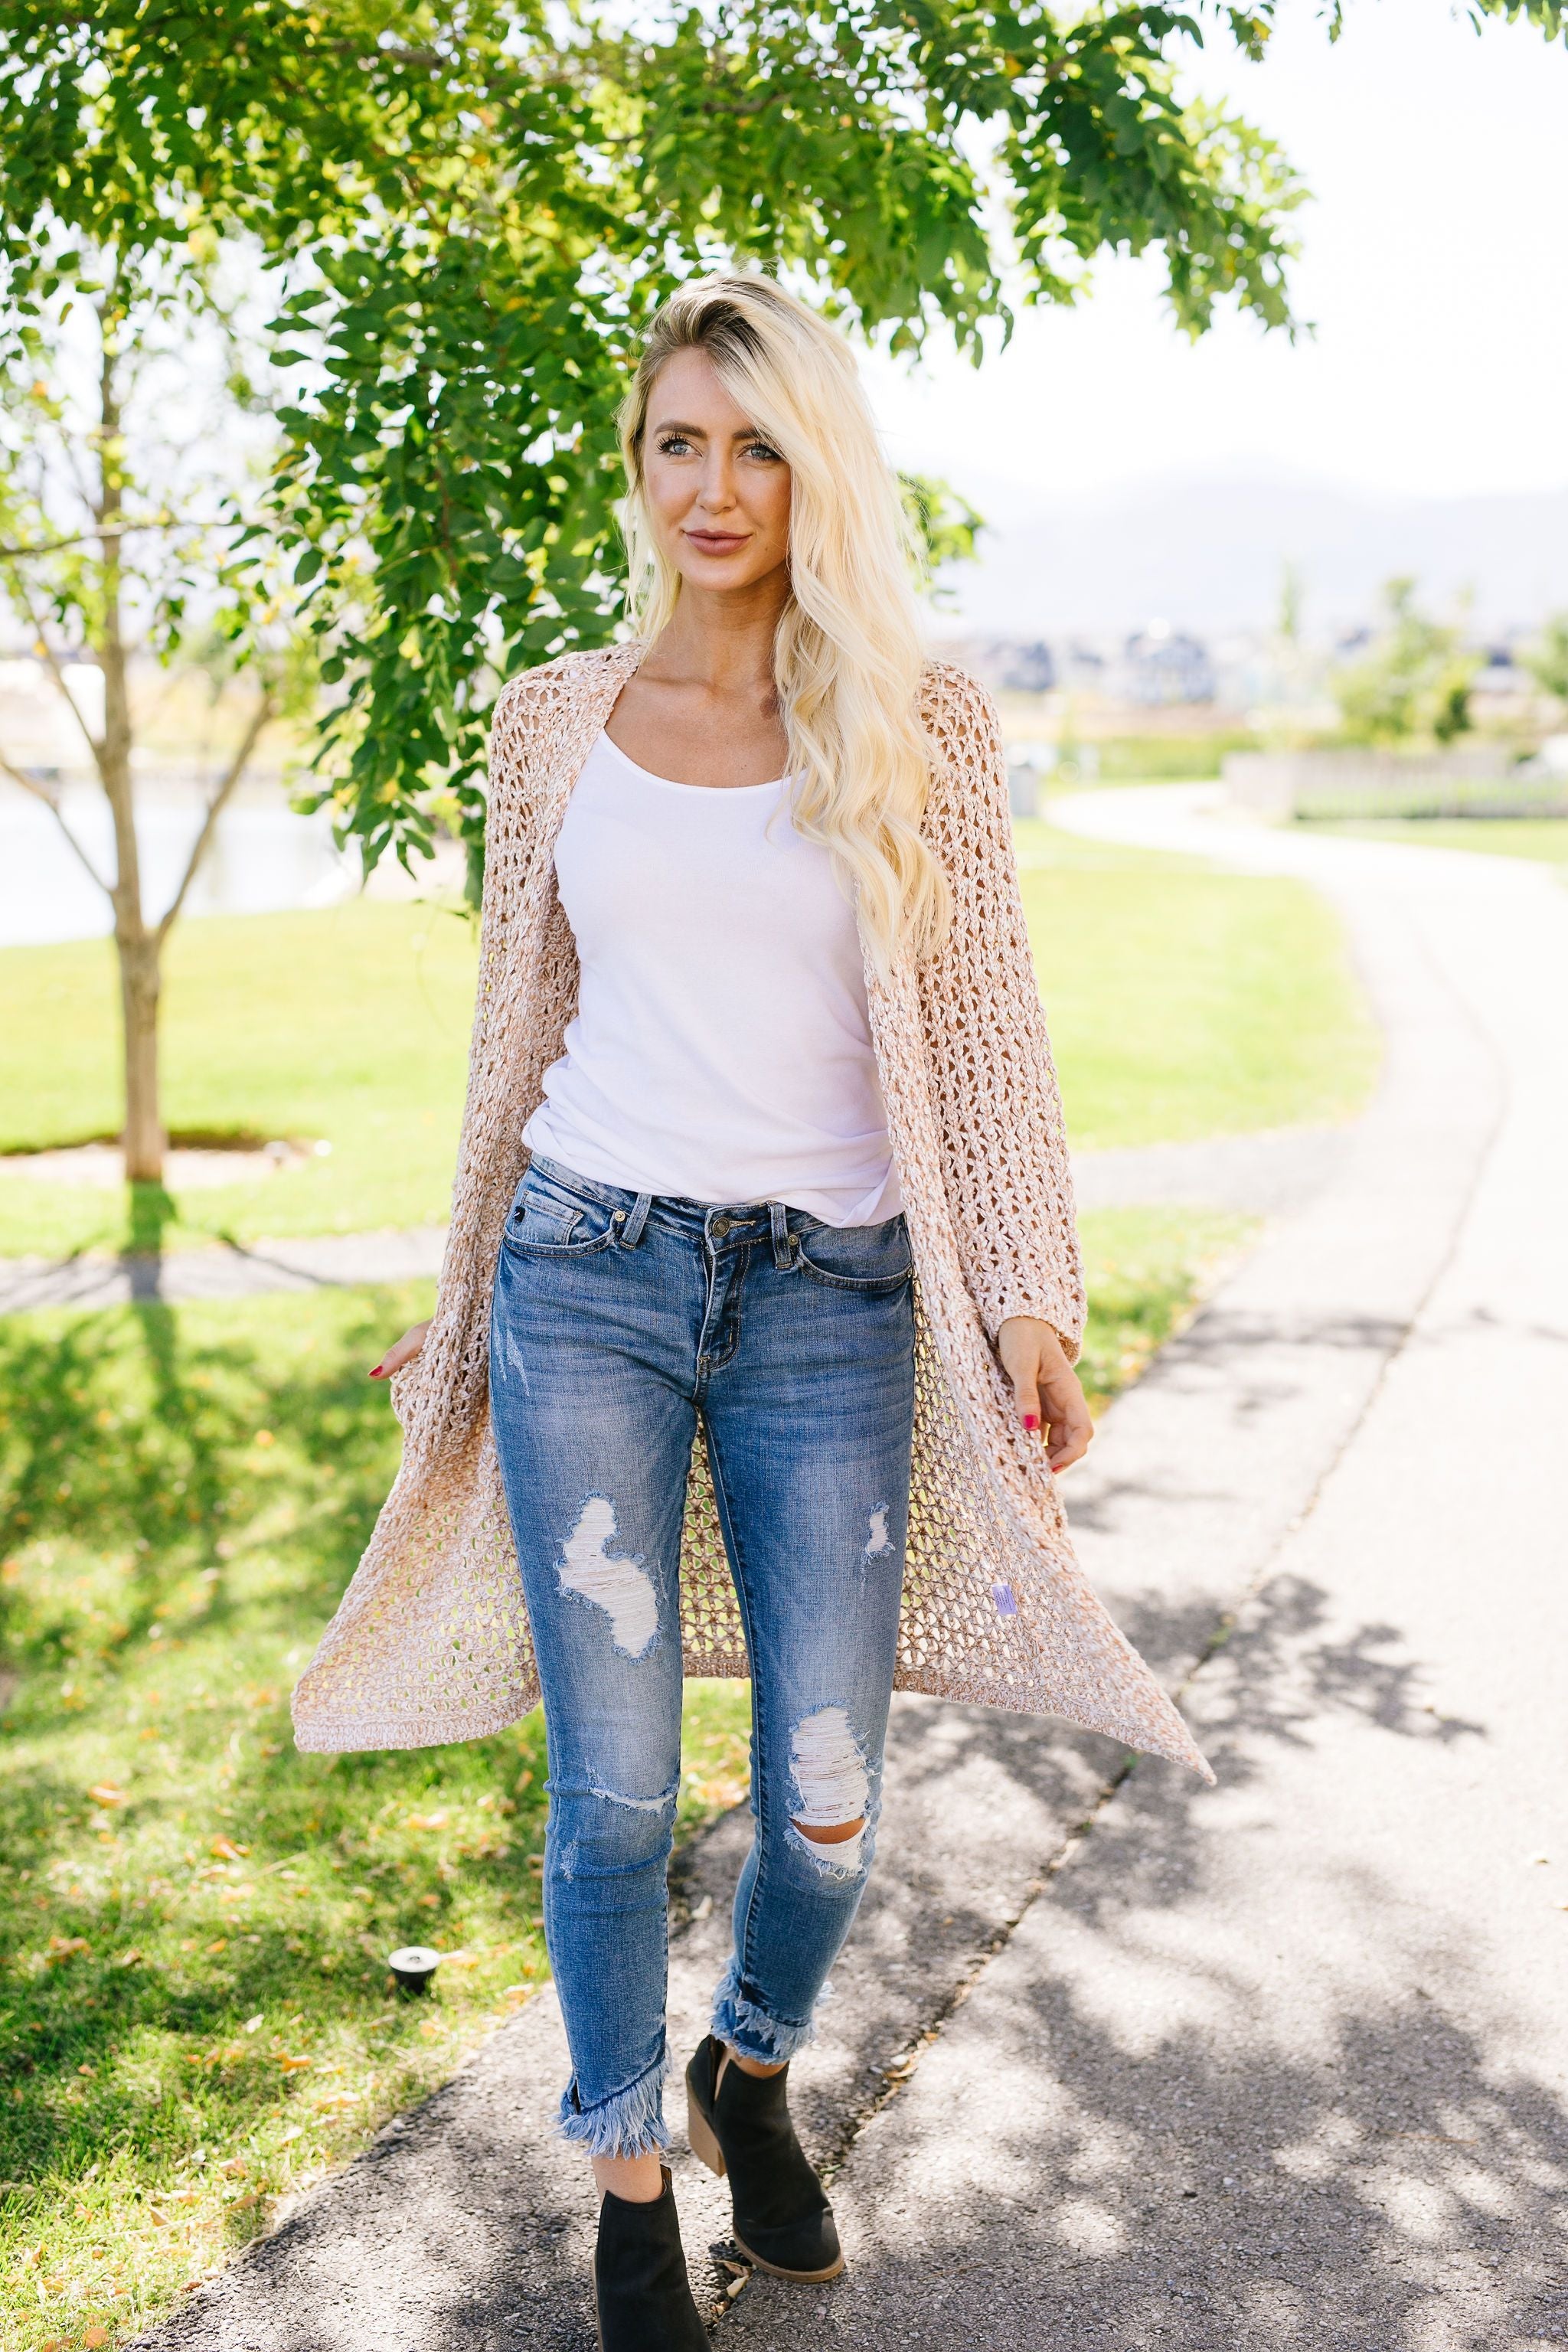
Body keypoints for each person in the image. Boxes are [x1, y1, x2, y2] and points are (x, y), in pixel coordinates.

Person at [292, 272, 1206, 2348]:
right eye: (682, 443)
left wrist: (1034, 1292)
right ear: (639, 468)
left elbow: (986, 1026)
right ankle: (629, 2187)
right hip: (587, 1274)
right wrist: (461, 1306)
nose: (719, 485)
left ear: (821, 470)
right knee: (613, 1792)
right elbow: (513, 1038)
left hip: (830, 1304)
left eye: (760, 443)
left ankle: (750, 2069)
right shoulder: (549, 725)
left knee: (826, 1790)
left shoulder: (918, 720)